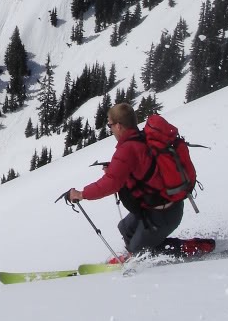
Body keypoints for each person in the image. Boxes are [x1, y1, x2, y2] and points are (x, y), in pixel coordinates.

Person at [65, 101, 184, 257]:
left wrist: (81, 194)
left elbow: (110, 184)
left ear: (119, 126)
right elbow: (142, 171)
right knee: (125, 228)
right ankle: (140, 254)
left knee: (139, 251)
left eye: (110, 125)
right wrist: (116, 170)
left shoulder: (127, 149)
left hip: (163, 213)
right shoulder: (140, 138)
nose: (111, 129)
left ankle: (192, 248)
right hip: (161, 207)